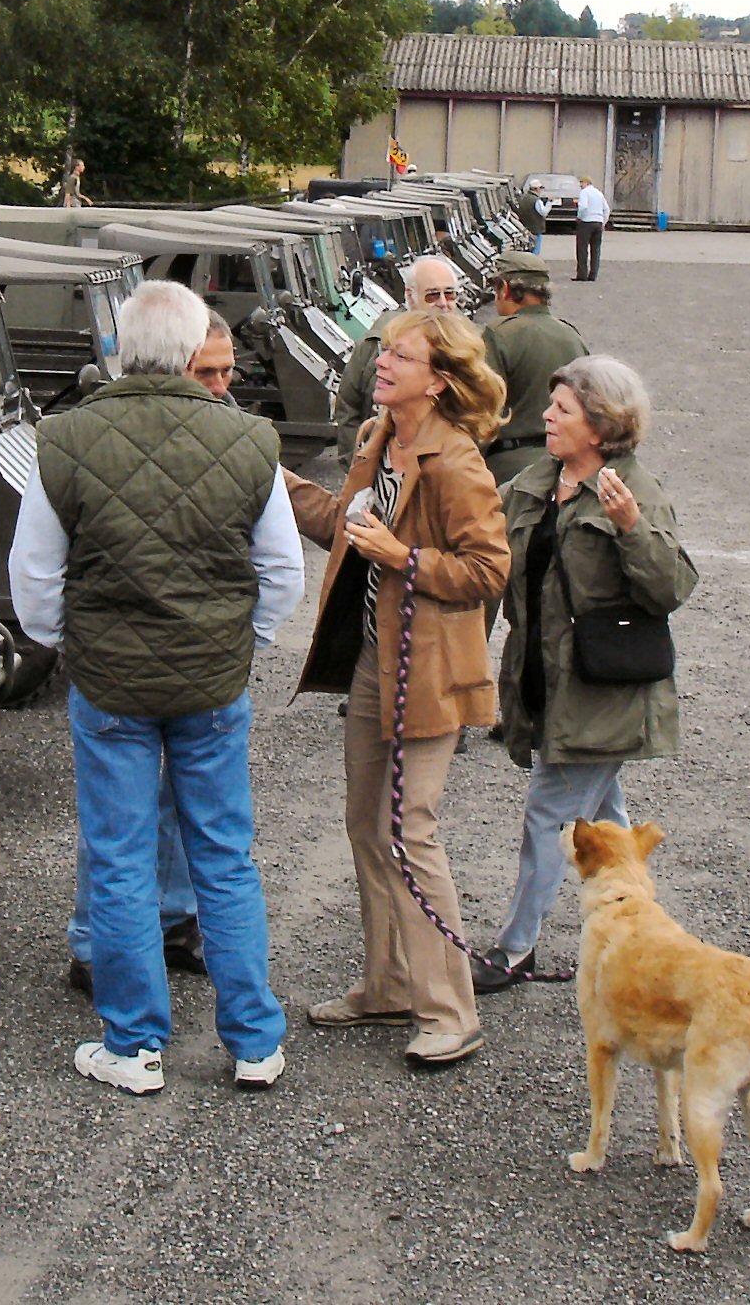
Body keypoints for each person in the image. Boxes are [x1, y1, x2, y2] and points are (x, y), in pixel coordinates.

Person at [10, 281, 304, 1095]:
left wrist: (69, 645)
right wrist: (243, 643)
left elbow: (33, 574)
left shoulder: (63, 439)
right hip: (212, 682)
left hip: (110, 685)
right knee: (225, 857)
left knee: (119, 858)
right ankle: (254, 1041)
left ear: (120, 348)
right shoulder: (250, 439)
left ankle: (134, 1043)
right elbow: (283, 572)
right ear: (188, 351)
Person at [283, 311, 510, 1067]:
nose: (381, 363)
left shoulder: (456, 461)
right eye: (383, 351)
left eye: (400, 356)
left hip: (430, 674)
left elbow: (488, 570)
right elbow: (343, 526)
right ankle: (387, 986)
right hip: (372, 665)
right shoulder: (379, 439)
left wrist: (403, 556)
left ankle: (450, 1012)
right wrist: (269, 475)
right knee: (366, 824)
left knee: (411, 831)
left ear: (437, 380)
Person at [470, 356, 698, 992]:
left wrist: (631, 528)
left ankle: (515, 950)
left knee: (549, 816)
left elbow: (671, 588)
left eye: (562, 409)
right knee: (606, 824)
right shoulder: (534, 484)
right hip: (545, 682)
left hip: (603, 690)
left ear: (600, 425)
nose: (546, 416)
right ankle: (641, 936)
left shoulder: (635, 492)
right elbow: (492, 558)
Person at [62, 311, 238, 1000]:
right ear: (172, 367)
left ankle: (170, 921)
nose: (219, 386)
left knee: (177, 808)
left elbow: (271, 564)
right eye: (206, 372)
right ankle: (95, 942)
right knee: (119, 819)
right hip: (126, 663)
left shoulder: (233, 433)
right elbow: (42, 567)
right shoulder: (96, 440)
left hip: (188, 660)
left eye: (227, 371)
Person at [331, 256, 463, 462]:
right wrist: (357, 463)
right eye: (432, 295)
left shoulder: (468, 344)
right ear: (410, 296)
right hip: (389, 464)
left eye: (450, 294)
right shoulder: (376, 343)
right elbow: (348, 406)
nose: (443, 303)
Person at [479, 250, 587, 487]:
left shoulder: (499, 335)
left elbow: (483, 409)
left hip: (509, 467)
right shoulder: (571, 336)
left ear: (505, 288)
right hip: (565, 463)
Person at [573, 177, 610, 282]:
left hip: (586, 222)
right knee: (596, 249)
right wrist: (603, 222)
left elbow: (583, 207)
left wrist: (579, 217)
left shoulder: (584, 192)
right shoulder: (599, 193)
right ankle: (593, 274)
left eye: (581, 182)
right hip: (598, 222)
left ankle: (582, 274)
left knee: (582, 248)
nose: (580, 185)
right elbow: (606, 209)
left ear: (587, 183)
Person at [525, 178, 551, 254]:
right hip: (536, 228)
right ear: (536, 189)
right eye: (540, 188)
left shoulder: (524, 198)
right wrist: (549, 203)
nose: (541, 190)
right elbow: (543, 212)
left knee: (528, 248)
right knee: (535, 249)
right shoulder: (536, 200)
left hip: (526, 227)